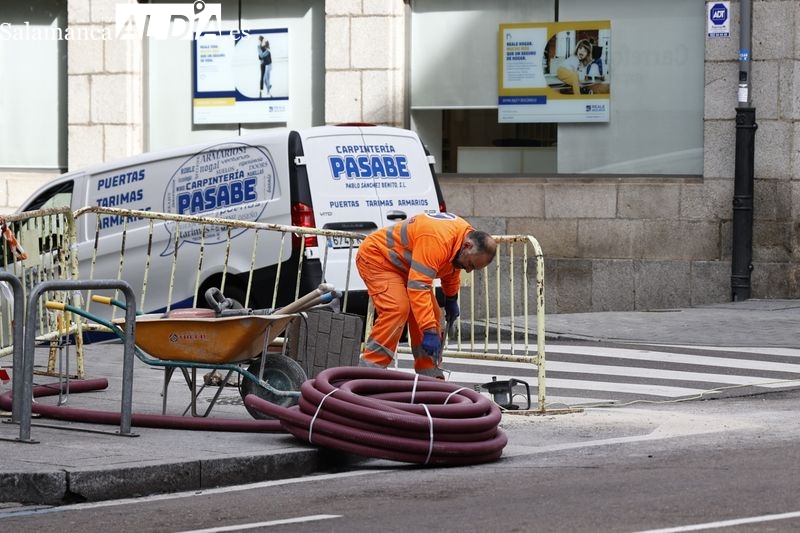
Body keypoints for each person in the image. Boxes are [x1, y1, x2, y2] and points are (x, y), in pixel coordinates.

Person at [356, 212, 497, 378]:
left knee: (432, 314)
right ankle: (368, 372)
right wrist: (429, 330)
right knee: (397, 309)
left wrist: (451, 298)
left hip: (405, 268)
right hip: (378, 258)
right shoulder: (438, 238)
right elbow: (419, 287)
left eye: (473, 268)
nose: (467, 269)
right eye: (470, 265)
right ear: (467, 246)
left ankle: (429, 374)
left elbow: (451, 268)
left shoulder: (461, 241)